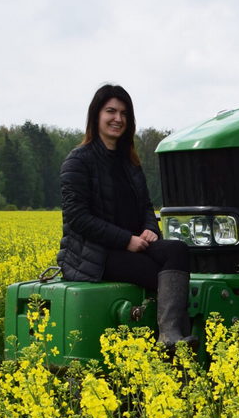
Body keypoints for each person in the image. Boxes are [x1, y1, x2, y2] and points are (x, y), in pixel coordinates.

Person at [57, 84, 195, 349]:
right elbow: (77, 217)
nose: (117, 119)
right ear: (96, 116)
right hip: (95, 255)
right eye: (110, 111)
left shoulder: (129, 162)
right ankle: (173, 343)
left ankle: (170, 335)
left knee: (177, 251)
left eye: (123, 113)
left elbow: (145, 204)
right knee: (159, 275)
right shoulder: (78, 161)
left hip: (133, 246)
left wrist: (149, 228)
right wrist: (126, 240)